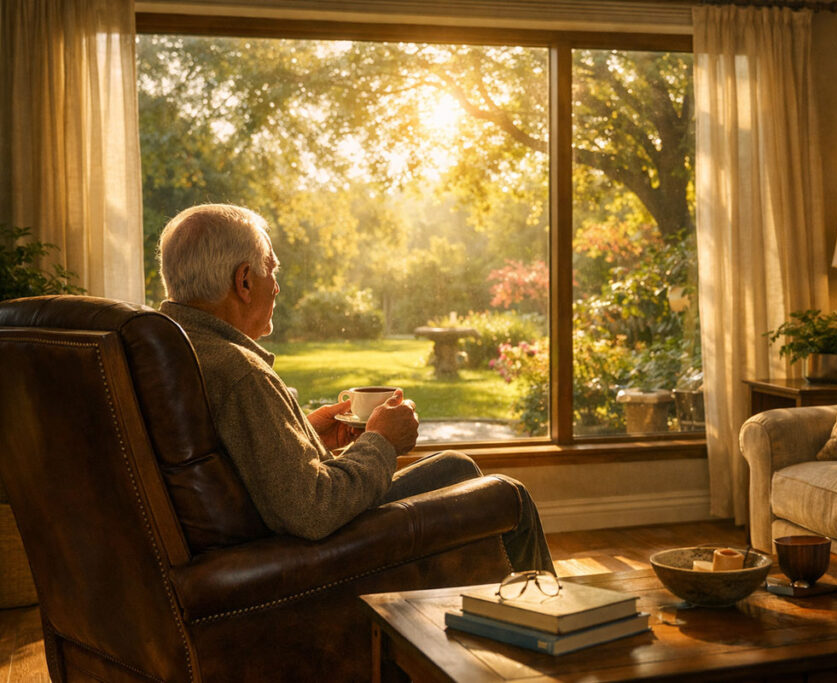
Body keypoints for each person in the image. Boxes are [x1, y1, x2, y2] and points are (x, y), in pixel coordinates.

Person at [157, 203, 553, 572]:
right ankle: (547, 610)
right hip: (310, 559)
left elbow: (244, 462)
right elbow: (312, 510)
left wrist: (306, 436)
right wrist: (380, 441)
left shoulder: (180, 351)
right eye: (271, 271)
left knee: (456, 467)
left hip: (261, 542)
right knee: (509, 497)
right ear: (244, 280)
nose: (276, 287)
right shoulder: (240, 372)